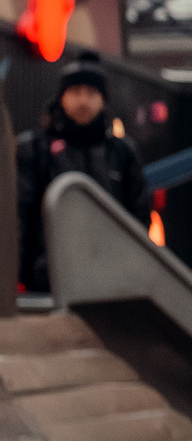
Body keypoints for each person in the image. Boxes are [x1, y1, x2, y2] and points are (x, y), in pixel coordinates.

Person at [16, 53, 151, 296]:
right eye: (76, 92)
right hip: (47, 281)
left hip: (111, 281)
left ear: (103, 100)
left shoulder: (122, 153)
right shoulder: (36, 149)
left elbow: (139, 217)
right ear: (62, 97)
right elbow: (20, 215)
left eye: (91, 93)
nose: (83, 101)